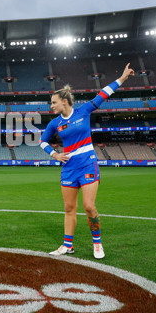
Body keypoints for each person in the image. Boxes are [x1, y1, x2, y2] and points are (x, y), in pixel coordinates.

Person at [40, 63, 135, 259]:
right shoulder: (54, 123)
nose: (51, 106)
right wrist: (55, 154)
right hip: (68, 168)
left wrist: (122, 79)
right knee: (69, 208)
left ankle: (97, 243)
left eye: (54, 102)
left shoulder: (83, 111)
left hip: (87, 165)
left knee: (89, 206)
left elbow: (103, 93)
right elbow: (42, 141)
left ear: (64, 101)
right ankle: (68, 246)